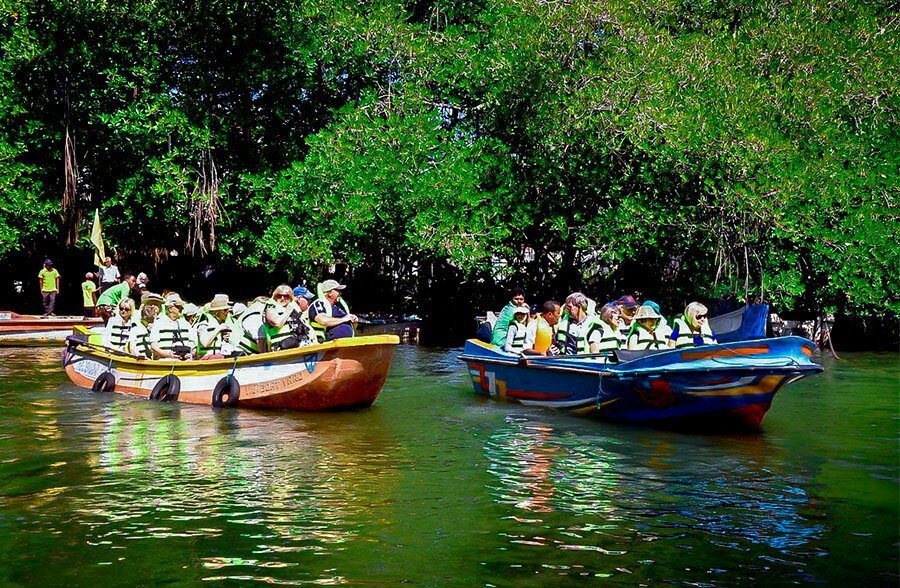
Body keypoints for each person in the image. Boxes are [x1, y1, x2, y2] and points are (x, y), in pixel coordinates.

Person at [263, 285, 317, 352]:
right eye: (279, 296)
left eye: (286, 296)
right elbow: (277, 323)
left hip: (299, 348)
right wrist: (289, 310)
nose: (282, 298)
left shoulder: (294, 310)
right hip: (282, 350)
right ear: (275, 297)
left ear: (290, 298)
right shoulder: (270, 308)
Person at [150, 293, 197, 360]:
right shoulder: (158, 323)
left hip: (185, 361)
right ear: (170, 309)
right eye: (178, 306)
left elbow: (193, 343)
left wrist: (190, 354)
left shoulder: (186, 324)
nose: (182, 308)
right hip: (165, 361)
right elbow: (154, 346)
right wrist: (168, 355)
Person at [195, 294, 234, 358]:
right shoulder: (204, 324)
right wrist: (218, 330)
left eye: (228, 310)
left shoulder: (223, 324)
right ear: (217, 312)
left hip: (221, 357)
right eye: (225, 310)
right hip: (206, 358)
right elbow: (205, 343)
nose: (228, 312)